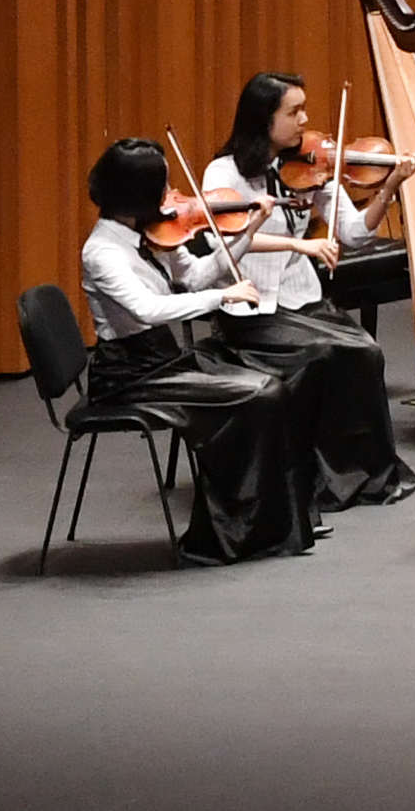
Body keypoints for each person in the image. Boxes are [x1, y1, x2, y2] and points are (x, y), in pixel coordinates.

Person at [75, 138, 327, 561]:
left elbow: (194, 277)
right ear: (139, 192)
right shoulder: (102, 252)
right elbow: (147, 309)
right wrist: (222, 297)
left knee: (274, 386)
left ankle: (278, 521)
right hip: (128, 374)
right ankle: (236, 532)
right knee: (258, 393)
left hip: (160, 358)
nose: (172, 194)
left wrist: (248, 230)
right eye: (163, 185)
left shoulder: (151, 233)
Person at [201, 72, 415, 511]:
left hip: (302, 298)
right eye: (294, 112)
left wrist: (389, 187)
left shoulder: (312, 165)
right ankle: (318, 478)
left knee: (366, 351)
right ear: (264, 119)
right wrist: (297, 244)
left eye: (303, 109)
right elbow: (219, 240)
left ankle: (363, 474)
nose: (305, 120)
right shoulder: (224, 173)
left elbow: (354, 232)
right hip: (253, 308)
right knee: (325, 355)